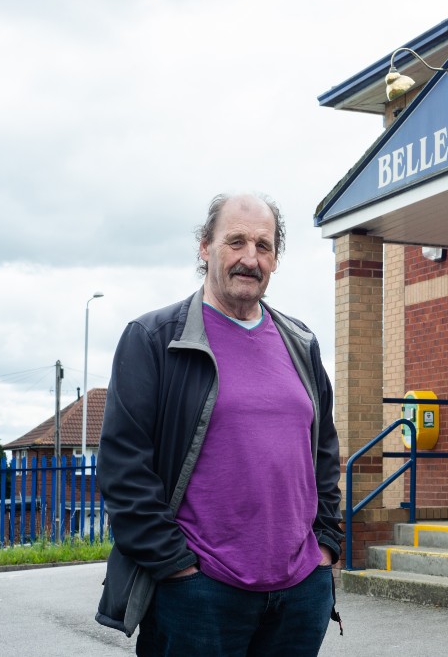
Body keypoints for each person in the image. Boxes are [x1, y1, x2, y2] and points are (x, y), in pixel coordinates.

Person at [95, 192, 343, 656]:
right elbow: (123, 469)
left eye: (264, 246)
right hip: (198, 595)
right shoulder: (154, 340)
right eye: (236, 241)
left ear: (275, 259)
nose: (250, 258)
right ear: (205, 246)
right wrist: (176, 567)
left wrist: (325, 546)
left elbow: (325, 454)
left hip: (299, 594)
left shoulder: (301, 343)